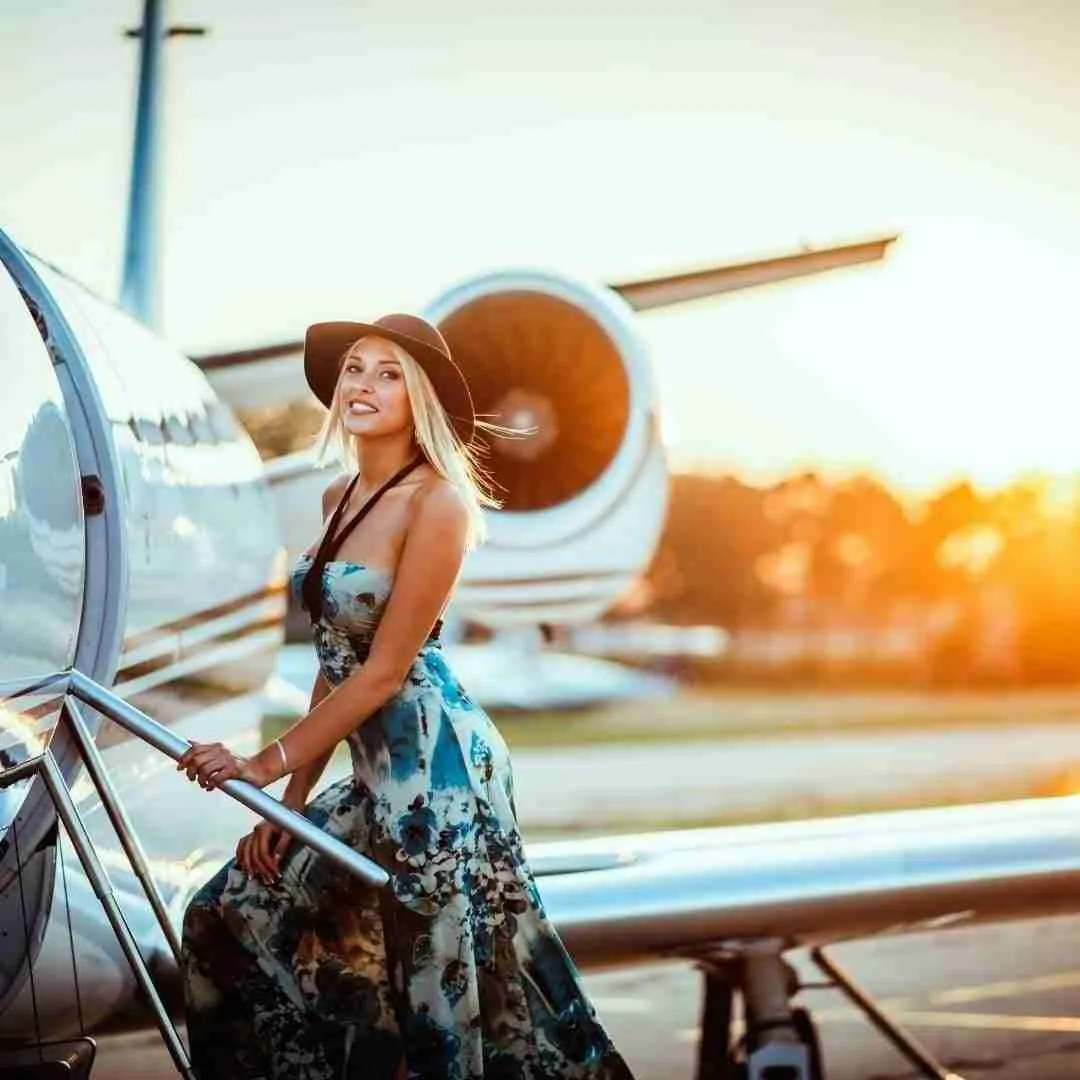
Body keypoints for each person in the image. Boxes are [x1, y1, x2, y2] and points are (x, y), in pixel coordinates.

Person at [177, 314, 636, 1080]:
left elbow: (385, 672)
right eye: (356, 368)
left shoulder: (439, 505)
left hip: (441, 773)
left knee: (439, 992)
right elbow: (334, 658)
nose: (363, 383)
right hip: (372, 775)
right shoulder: (339, 496)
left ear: (418, 396)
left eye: (389, 373)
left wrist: (259, 763)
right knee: (226, 917)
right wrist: (288, 803)